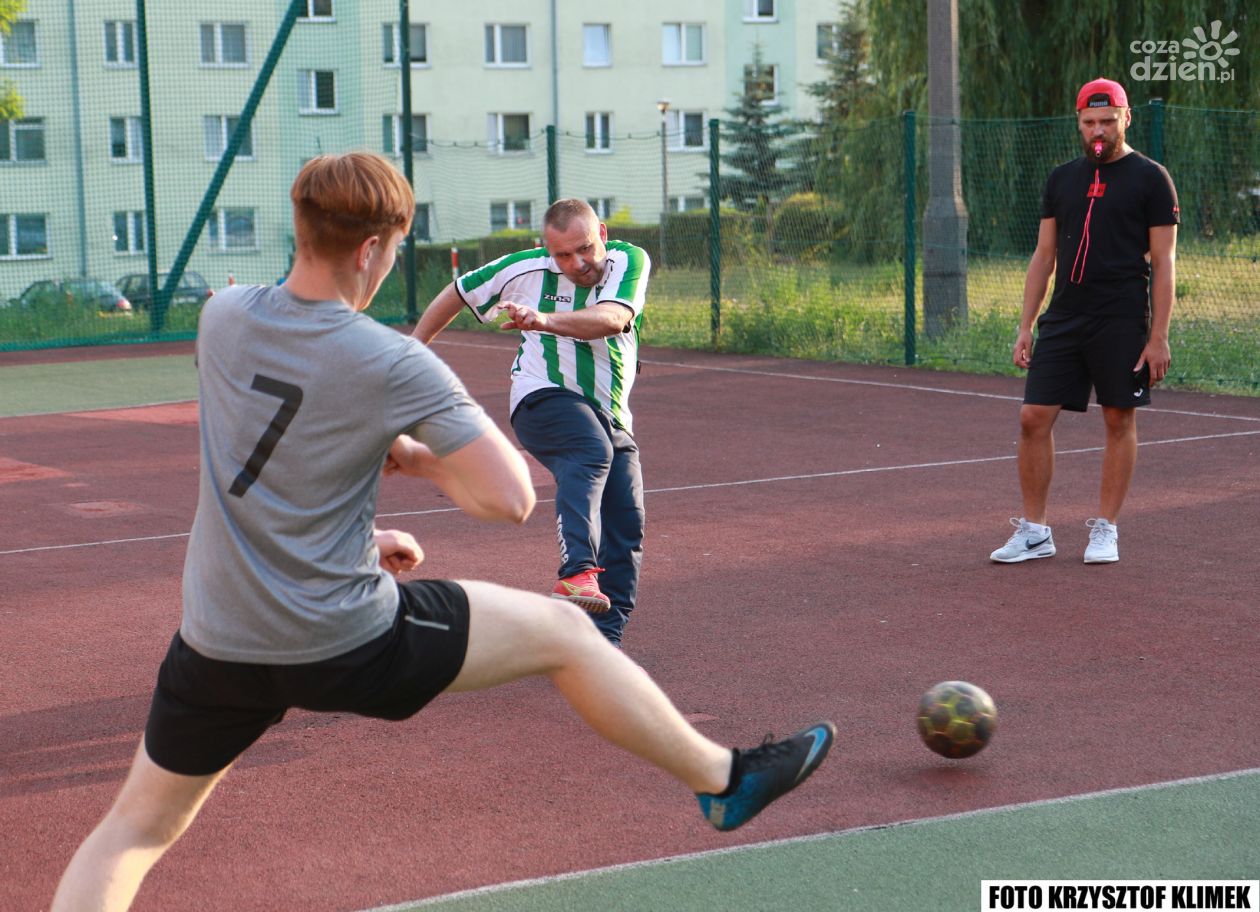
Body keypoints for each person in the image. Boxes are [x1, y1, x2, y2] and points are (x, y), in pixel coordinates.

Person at [51, 153, 835, 912]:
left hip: (218, 640)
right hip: (341, 638)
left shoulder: (222, 318)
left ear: (301, 227)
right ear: (371, 249)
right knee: (567, 633)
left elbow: (266, 461)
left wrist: (359, 541)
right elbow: (509, 498)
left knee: (131, 832)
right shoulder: (391, 361)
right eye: (394, 249)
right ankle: (724, 780)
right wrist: (423, 460)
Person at [415, 199, 649, 647]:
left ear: (602, 234)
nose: (577, 263)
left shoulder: (628, 260)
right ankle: (577, 572)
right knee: (590, 449)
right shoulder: (523, 268)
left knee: (626, 526)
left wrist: (543, 319)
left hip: (612, 413)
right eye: (563, 255)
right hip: (542, 397)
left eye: (585, 248)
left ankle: (602, 645)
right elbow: (459, 291)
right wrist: (414, 350)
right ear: (547, 249)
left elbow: (613, 318)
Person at [990, 78, 1178, 566]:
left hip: (1121, 317)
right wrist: (1026, 324)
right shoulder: (1061, 179)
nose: (1099, 131)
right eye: (1090, 122)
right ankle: (1035, 532)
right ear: (1078, 123)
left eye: (1107, 121)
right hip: (1065, 317)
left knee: (1118, 417)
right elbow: (1044, 255)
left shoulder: (1151, 179)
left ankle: (1106, 529)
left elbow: (1164, 264)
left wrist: (1158, 337)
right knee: (1033, 417)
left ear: (1126, 119)